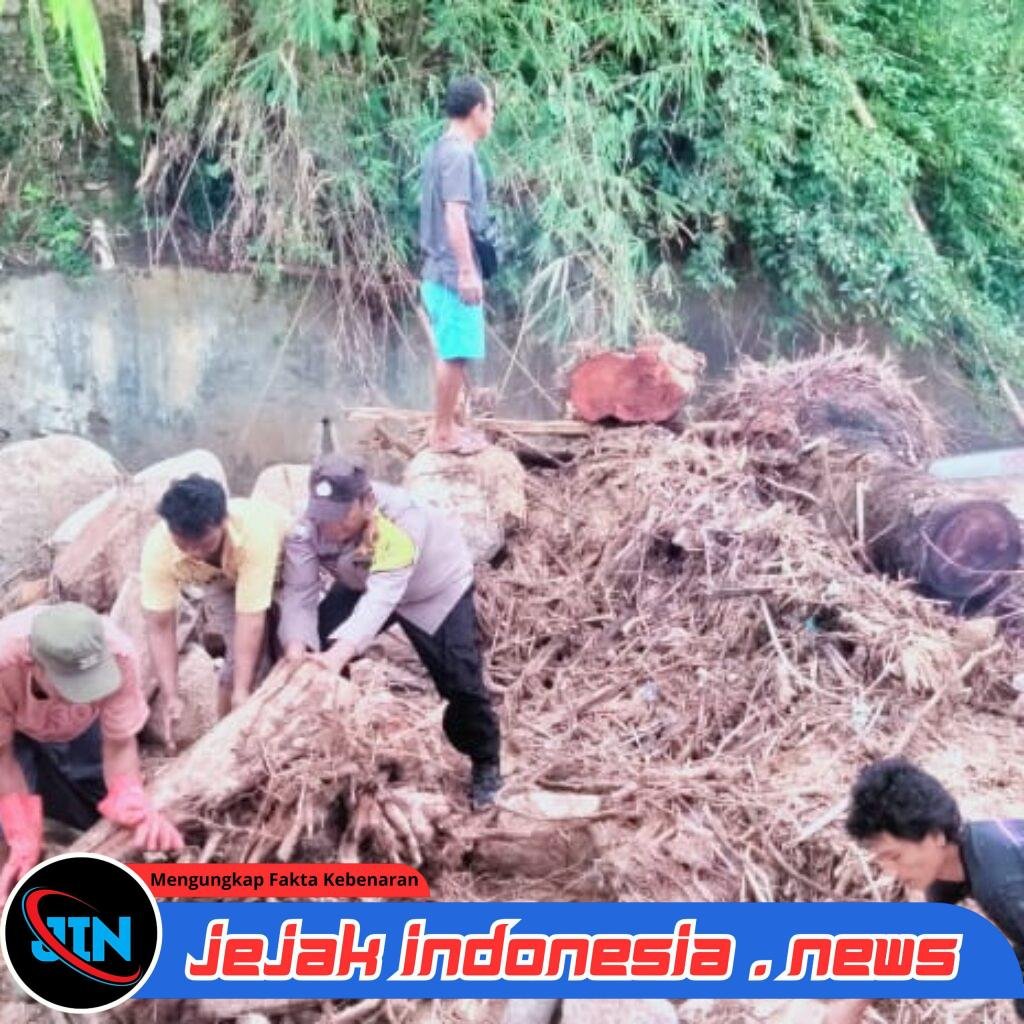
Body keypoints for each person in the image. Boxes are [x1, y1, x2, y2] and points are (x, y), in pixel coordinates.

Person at [277, 454, 502, 809]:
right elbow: (299, 593)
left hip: (433, 588)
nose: (329, 527)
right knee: (312, 639)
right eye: (322, 514)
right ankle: (332, 735)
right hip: (361, 581)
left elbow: (382, 599)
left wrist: (335, 656)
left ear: (366, 501)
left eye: (339, 515)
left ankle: (485, 762)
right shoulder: (306, 528)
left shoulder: (400, 521)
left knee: (460, 679)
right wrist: (296, 648)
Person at [0, 602, 182, 899]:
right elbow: (3, 760)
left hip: (81, 726)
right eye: (72, 685)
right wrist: (20, 832)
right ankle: (16, 902)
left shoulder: (119, 656)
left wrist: (129, 795)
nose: (81, 694)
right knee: (11, 830)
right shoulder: (4, 663)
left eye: (90, 683)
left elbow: (120, 742)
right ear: (36, 665)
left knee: (96, 806)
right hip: (11, 731)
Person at [826, 757, 1024, 1023]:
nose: (891, 872)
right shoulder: (957, 859)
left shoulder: (1002, 888)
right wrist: (852, 1006)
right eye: (882, 861)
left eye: (896, 857)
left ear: (936, 835)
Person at [140, 474, 290, 737]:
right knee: (246, 663)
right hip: (221, 578)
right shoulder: (158, 549)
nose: (194, 553)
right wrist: (171, 695)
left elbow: (251, 620)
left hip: (284, 564)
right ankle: (224, 736)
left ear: (223, 520)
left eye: (203, 543)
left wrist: (243, 691)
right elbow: (160, 627)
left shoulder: (254, 530)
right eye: (183, 544)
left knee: (288, 647)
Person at [419, 74, 497, 455]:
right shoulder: (458, 153)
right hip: (450, 273)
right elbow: (454, 215)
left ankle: (445, 427)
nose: (492, 116)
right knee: (454, 354)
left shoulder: (442, 149)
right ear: (477, 109)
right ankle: (444, 433)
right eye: (491, 107)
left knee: (455, 352)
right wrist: (466, 272)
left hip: (443, 270)